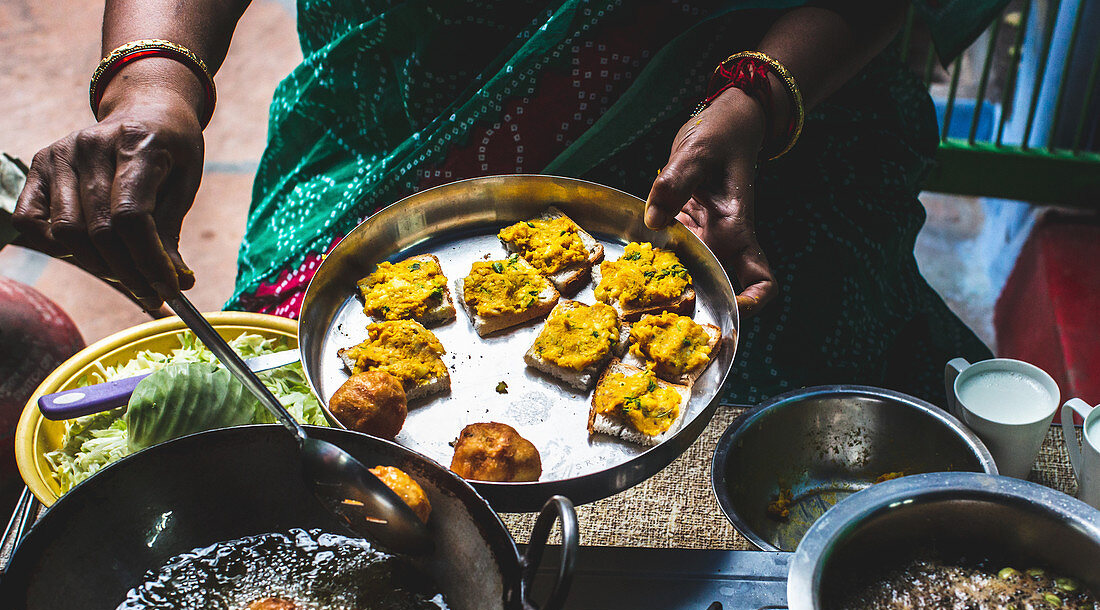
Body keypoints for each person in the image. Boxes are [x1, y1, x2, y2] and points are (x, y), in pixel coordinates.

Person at [12, 0, 997, 406]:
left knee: (786, 439)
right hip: (394, 134)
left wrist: (753, 98)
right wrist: (155, 89)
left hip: (769, 141)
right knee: (293, 408)